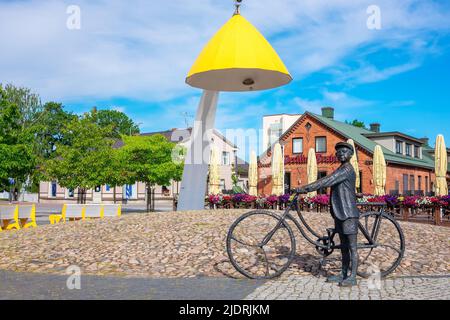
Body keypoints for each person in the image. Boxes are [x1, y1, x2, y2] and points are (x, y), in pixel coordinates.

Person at [296, 142, 360, 287]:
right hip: (340, 212)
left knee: (352, 247)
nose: (341, 154)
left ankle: (353, 276)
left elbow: (327, 180)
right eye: (338, 152)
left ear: (350, 155)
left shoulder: (347, 169)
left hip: (348, 212)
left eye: (344, 151)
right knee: (344, 246)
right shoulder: (341, 168)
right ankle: (343, 273)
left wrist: (305, 188)